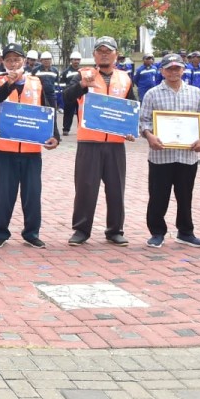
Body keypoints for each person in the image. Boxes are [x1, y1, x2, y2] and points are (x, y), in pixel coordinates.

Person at [64, 36, 138, 247]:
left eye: (109, 51)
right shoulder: (83, 74)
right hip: (89, 142)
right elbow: (67, 98)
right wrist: (81, 85)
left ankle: (115, 230)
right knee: (86, 187)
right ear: (94, 54)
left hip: (115, 143)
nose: (104, 54)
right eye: (100, 51)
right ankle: (81, 229)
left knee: (116, 188)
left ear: (116, 54)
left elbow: (131, 107)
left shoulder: (125, 78)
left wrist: (130, 130)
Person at [0, 43, 60, 248]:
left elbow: (48, 109)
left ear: (24, 61)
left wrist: (54, 135)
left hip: (31, 149)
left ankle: (31, 232)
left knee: (32, 193)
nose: (13, 63)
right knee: (4, 193)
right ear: (3, 62)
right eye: (9, 59)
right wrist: (10, 83)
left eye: (17, 59)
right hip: (5, 149)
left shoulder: (38, 82)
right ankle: (0, 233)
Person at [138, 53, 200, 248]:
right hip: (160, 154)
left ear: (183, 69)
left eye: (177, 68)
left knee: (185, 195)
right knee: (158, 196)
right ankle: (157, 232)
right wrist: (149, 135)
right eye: (169, 68)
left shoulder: (196, 93)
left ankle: (186, 232)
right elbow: (143, 121)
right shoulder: (152, 94)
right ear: (162, 71)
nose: (173, 72)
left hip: (187, 155)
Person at [60, 52, 83, 135]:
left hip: (80, 96)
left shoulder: (82, 71)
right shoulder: (66, 72)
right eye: (75, 60)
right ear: (71, 60)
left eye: (78, 60)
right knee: (68, 113)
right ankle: (66, 129)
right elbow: (62, 85)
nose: (76, 61)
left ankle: (81, 129)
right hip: (70, 96)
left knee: (81, 113)